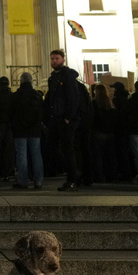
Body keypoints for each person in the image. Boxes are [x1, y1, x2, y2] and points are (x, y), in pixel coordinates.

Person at [45, 50, 81, 190]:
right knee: (55, 148)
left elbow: (73, 97)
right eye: (52, 58)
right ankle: (73, 175)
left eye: (57, 58)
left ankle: (72, 178)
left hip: (65, 119)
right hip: (56, 118)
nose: (54, 61)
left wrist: (68, 117)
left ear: (63, 60)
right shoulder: (53, 77)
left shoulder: (67, 76)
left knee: (68, 149)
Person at [11, 73, 45, 189]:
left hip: (20, 130)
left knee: (21, 155)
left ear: (20, 81)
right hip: (35, 130)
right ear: (31, 81)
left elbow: (11, 113)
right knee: (36, 154)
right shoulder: (37, 96)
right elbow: (42, 113)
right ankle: (38, 181)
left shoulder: (15, 96)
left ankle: (23, 180)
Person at [90, 83, 118, 183]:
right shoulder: (110, 103)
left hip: (98, 132)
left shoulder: (94, 104)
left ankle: (99, 176)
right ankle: (112, 175)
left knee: (98, 156)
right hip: (110, 133)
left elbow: (91, 119)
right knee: (110, 156)